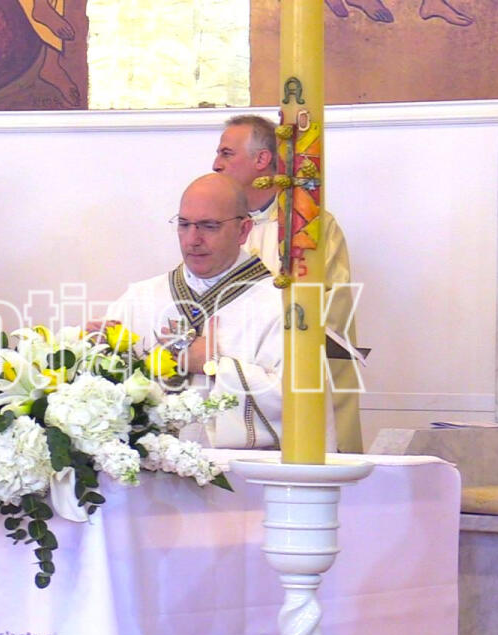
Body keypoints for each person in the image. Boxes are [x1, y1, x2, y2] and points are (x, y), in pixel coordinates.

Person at [102, 174, 298, 449]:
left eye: (209, 226)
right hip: (147, 479)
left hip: (238, 482)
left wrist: (215, 365)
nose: (193, 239)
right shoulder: (139, 299)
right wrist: (95, 354)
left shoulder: (280, 307)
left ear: (243, 230)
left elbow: (299, 403)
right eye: (184, 225)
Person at [212, 114, 363, 451]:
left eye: (226, 153)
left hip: (291, 381)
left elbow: (328, 308)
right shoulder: (216, 225)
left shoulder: (309, 225)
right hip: (231, 385)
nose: (215, 164)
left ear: (262, 160)